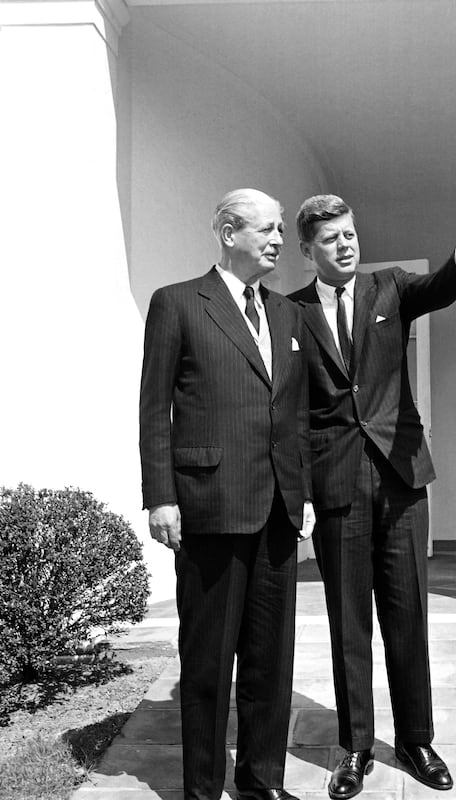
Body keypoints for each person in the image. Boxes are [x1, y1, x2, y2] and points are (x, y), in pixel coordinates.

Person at [289, 194, 456, 799]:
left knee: (408, 615)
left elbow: (438, 288)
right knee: (348, 622)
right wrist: (300, 490)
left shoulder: (390, 289)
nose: (346, 245)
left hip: (403, 480)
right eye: (331, 239)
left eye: (351, 234)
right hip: (336, 485)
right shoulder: (292, 313)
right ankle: (355, 746)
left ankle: (416, 739)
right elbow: (292, 411)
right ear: (309, 249)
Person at [139, 188, 315, 800]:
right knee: (210, 662)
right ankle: (202, 789)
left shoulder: (288, 314)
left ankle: (262, 780)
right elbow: (153, 406)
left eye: (278, 233)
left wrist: (305, 494)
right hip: (209, 507)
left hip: (278, 512)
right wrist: (160, 495)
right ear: (227, 231)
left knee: (271, 660)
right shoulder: (178, 303)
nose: (276, 242)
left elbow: (292, 415)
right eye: (265, 230)